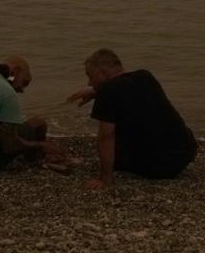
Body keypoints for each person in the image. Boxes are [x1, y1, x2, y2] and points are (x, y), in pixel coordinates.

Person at [68, 48, 197, 189]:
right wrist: (95, 92)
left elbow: (106, 137)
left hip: (160, 167)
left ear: (102, 72)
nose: (89, 83)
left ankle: (112, 174)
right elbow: (123, 88)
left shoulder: (107, 92)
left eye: (90, 76)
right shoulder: (145, 76)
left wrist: (105, 178)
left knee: (114, 143)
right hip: (184, 153)